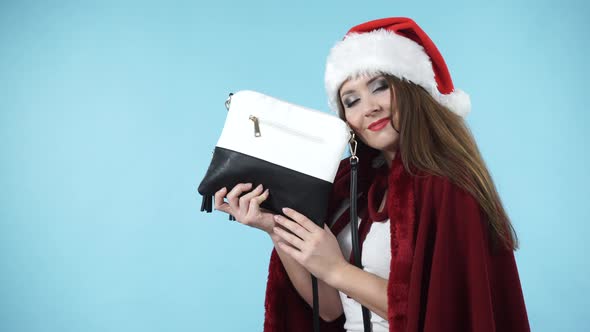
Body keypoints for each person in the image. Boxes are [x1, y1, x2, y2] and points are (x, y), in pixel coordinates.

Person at [214, 17, 530, 332]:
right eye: (351, 101)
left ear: (411, 89)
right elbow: (330, 309)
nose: (369, 108)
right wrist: (275, 227)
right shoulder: (350, 187)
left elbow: (442, 311)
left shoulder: (450, 186)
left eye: (380, 86)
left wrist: (337, 269)